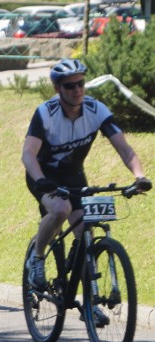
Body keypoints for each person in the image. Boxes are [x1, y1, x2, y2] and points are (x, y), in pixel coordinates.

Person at [22, 59, 151, 292]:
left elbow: (124, 148)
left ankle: (90, 301)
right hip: (43, 174)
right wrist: (41, 180)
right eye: (70, 86)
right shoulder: (45, 113)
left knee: (85, 233)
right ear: (58, 89)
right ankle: (38, 258)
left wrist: (140, 176)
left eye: (81, 83)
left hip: (73, 175)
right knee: (61, 209)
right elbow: (28, 154)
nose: (77, 90)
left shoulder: (96, 110)